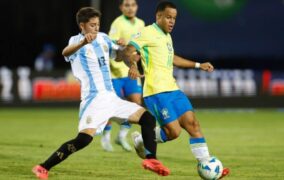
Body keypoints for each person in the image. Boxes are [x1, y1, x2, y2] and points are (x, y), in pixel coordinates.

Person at [32, 7, 169, 179]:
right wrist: (82, 43)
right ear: (82, 25)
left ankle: (151, 160)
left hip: (111, 97)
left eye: (97, 24)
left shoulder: (103, 38)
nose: (96, 28)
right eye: (92, 25)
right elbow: (65, 52)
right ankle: (43, 167)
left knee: (147, 118)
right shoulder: (76, 41)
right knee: (83, 140)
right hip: (94, 100)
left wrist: (124, 50)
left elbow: (118, 56)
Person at [122, 1, 230, 178]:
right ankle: (142, 139)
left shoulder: (167, 36)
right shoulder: (148, 32)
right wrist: (133, 65)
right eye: (168, 17)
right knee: (174, 132)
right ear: (159, 16)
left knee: (193, 124)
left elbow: (173, 59)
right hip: (156, 92)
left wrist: (198, 65)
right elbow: (128, 51)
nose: (172, 21)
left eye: (174, 18)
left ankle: (207, 165)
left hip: (173, 89)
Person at [99, 0, 145, 152]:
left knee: (136, 104)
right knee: (111, 107)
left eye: (133, 5)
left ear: (137, 7)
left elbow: (142, 45)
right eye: (127, 5)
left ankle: (121, 136)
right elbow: (109, 42)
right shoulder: (117, 23)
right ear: (121, 8)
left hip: (131, 71)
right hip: (115, 72)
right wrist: (118, 42)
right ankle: (105, 137)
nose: (130, 8)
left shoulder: (141, 23)